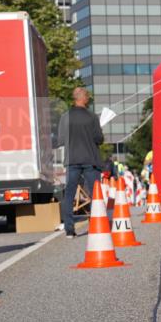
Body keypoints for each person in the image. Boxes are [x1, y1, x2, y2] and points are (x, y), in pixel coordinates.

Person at [57, 87, 104, 239]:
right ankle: (98, 224)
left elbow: (61, 140)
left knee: (69, 194)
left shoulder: (65, 117)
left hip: (72, 160)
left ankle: (69, 230)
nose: (88, 99)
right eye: (88, 96)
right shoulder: (92, 117)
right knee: (95, 193)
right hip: (90, 159)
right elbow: (99, 139)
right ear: (83, 98)